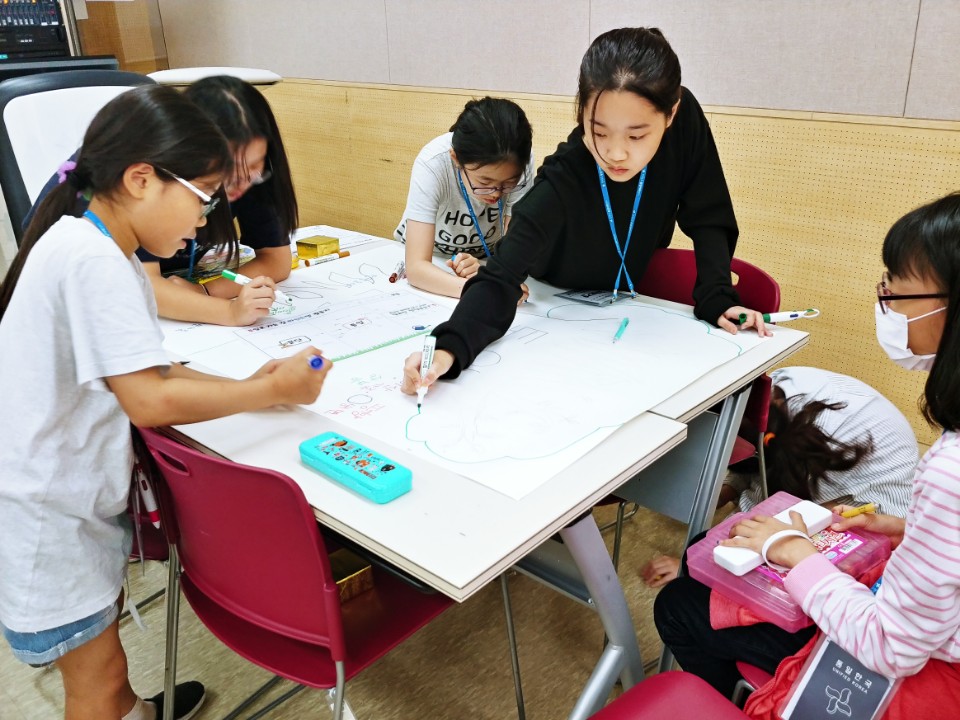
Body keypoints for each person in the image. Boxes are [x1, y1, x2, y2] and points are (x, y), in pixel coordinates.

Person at [0, 85, 331, 720]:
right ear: (143, 178)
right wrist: (269, 391)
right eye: (202, 198)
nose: (204, 221)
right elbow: (149, 399)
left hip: (54, 504)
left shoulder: (87, 244)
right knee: (94, 684)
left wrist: (245, 390)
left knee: (107, 671)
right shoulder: (96, 262)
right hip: (47, 522)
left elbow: (149, 370)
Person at [655, 193, 960, 718]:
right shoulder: (793, 419)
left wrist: (795, 553)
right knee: (708, 552)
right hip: (898, 574)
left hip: (912, 663)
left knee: (681, 603)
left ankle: (732, 698)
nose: (886, 303)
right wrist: (904, 529)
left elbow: (893, 647)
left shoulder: (946, 469)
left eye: (895, 291)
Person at [400, 27, 772, 394]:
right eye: (599, 130)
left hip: (625, 304)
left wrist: (717, 296)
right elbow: (500, 279)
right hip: (553, 299)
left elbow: (709, 214)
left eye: (636, 135)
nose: (615, 152)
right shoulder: (569, 172)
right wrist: (448, 349)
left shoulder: (685, 119)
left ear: (670, 114)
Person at [27, 75, 300, 327]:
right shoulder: (141, 192)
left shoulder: (241, 175)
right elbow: (147, 288)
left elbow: (276, 261)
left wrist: (206, 291)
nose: (242, 183)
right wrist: (228, 312)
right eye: (223, 177)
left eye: (254, 168)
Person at [641, 366, 918, 588]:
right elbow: (756, 468)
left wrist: (689, 564)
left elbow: (771, 513)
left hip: (880, 508)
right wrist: (721, 491)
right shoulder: (773, 396)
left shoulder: (815, 442)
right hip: (838, 464)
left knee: (763, 558)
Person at [394, 97, 535, 298]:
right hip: (433, 262)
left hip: (484, 263)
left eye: (508, 184)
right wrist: (483, 288)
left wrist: (493, 274)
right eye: (484, 183)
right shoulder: (433, 163)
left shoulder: (521, 161)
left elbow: (516, 252)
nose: (496, 193)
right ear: (456, 159)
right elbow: (417, 268)